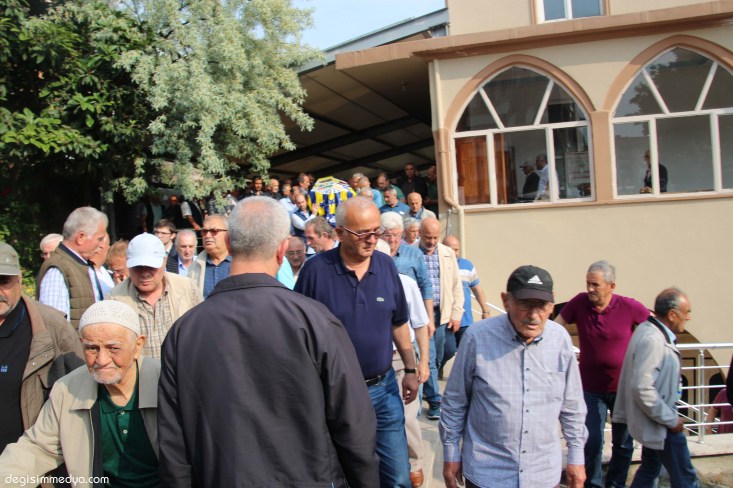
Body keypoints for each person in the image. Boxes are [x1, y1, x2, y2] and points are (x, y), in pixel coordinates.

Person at [158, 196, 379, 487]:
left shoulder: (184, 332)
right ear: (282, 250)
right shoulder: (315, 322)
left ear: (230, 244)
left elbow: (172, 445)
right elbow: (354, 426)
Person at [295, 196, 419, 488]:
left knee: (398, 477)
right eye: (363, 233)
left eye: (376, 231)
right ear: (340, 233)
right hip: (335, 395)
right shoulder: (316, 272)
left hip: (384, 389)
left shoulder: (386, 266)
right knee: (348, 476)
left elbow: (399, 322)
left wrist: (411, 370)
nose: (372, 239)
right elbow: (298, 333)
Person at [440, 265, 588, 488]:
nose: (534, 315)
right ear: (506, 301)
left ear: (552, 305)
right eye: (525, 304)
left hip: (542, 474)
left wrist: (576, 457)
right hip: (487, 473)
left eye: (541, 306)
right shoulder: (477, 338)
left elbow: (572, 405)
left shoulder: (560, 341)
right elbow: (455, 401)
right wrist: (451, 453)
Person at [0, 300, 161, 486]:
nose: (102, 360)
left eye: (113, 348)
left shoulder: (166, 382)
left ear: (138, 346)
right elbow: (38, 449)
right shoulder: (68, 389)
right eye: (92, 348)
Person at [554, 260, 650, 488]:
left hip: (622, 389)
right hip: (590, 388)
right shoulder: (579, 303)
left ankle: (616, 484)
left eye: (595, 284)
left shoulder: (629, 306)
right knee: (592, 441)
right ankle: (593, 484)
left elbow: (654, 329)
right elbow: (555, 327)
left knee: (623, 443)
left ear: (611, 286)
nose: (590, 289)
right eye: (588, 283)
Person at [0, 242, 84, 454]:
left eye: (3, 281)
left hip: (31, 464)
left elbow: (82, 397)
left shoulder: (53, 329)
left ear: (19, 279)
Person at [614, 288, 700, 488]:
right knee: (685, 477)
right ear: (672, 314)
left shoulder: (650, 331)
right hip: (662, 421)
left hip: (657, 419)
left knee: (650, 469)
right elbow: (642, 387)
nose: (688, 317)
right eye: (686, 312)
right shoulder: (652, 339)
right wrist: (670, 419)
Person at [107, 233, 200, 358]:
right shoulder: (114, 299)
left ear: (164, 261)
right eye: (138, 267)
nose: (145, 273)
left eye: (151, 267)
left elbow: (202, 333)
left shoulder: (188, 288)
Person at [419, 217, 463, 420]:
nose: (432, 241)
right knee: (429, 358)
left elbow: (456, 285)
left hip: (441, 313)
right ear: (420, 234)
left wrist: (456, 313)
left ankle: (428, 387)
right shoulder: (412, 253)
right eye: (428, 237)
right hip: (421, 315)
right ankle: (435, 400)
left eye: (435, 237)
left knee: (439, 356)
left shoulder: (446, 253)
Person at [37, 206, 108, 328]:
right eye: (99, 239)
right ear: (81, 238)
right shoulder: (57, 271)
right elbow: (55, 329)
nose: (102, 245)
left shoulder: (81, 265)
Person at [442, 235, 490, 348]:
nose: (454, 253)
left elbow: (477, 289)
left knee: (468, 352)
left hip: (465, 321)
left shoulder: (467, 265)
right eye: (451, 249)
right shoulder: (438, 265)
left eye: (456, 249)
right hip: (445, 322)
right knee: (447, 352)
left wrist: (485, 311)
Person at [188, 214, 231, 299]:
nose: (207, 236)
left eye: (214, 231)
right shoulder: (195, 267)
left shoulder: (242, 262)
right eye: (204, 231)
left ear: (228, 234)